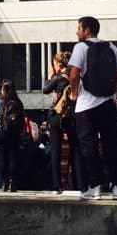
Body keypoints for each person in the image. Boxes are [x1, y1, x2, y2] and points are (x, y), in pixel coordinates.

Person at [68, 16, 117, 200]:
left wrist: (74, 93)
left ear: (86, 30)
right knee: (112, 145)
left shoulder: (80, 47)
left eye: (79, 28)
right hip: (107, 103)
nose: (77, 32)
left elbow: (74, 74)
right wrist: (113, 90)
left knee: (89, 145)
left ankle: (95, 187)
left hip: (86, 105)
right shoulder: (111, 47)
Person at [42, 51, 75, 192]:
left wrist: (50, 77)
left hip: (57, 115)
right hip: (72, 115)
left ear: (59, 64)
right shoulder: (73, 75)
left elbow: (45, 89)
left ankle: (56, 185)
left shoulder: (58, 78)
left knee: (56, 150)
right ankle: (78, 184)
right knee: (75, 149)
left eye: (54, 64)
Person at [0, 79, 26, 191]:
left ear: (3, 90)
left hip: (3, 134)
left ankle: (4, 183)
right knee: (13, 158)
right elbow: (22, 121)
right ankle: (12, 183)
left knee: (2, 158)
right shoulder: (19, 103)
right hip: (15, 134)